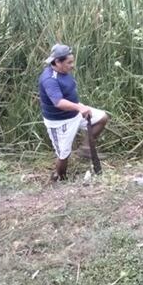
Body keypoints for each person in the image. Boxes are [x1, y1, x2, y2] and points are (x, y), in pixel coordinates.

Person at [38, 43, 109, 181]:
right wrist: (79, 108)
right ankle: (61, 178)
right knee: (64, 154)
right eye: (69, 62)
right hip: (60, 122)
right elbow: (58, 102)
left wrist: (79, 107)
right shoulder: (49, 79)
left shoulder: (63, 72)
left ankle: (86, 148)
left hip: (75, 113)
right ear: (57, 62)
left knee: (102, 117)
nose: (72, 65)